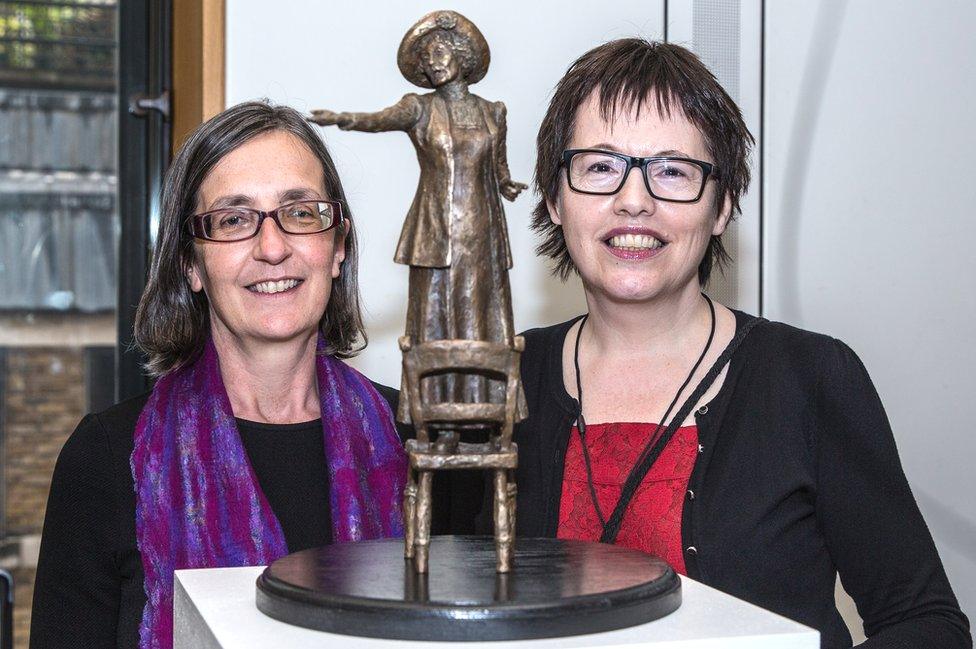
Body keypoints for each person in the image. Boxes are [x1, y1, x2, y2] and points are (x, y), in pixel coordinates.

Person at [513, 39, 971, 648]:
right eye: (600, 166)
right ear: (554, 197)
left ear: (722, 205)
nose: (633, 200)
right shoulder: (497, 382)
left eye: (673, 170)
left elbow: (926, 625)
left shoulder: (811, 378)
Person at [30, 102, 409, 649]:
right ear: (191, 265)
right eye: (234, 220)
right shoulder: (106, 460)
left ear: (338, 247)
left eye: (300, 213)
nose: (273, 248)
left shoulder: (418, 443)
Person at [309, 10, 527, 433]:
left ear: (461, 56)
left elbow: (498, 168)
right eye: (427, 57)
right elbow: (378, 120)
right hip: (435, 229)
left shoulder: (493, 113)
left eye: (440, 51)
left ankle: (485, 403)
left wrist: (507, 184)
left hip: (481, 228)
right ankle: (436, 406)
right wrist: (342, 119)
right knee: (433, 313)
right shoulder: (419, 109)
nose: (433, 61)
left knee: (481, 309)